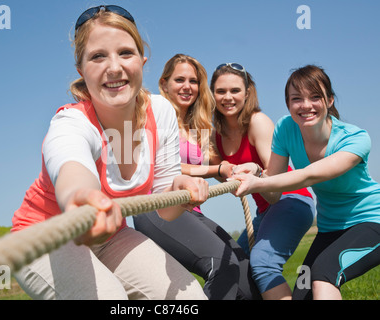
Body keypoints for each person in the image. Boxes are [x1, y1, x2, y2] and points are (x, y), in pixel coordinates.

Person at [11, 5, 209, 300]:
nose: (114, 67)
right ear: (81, 70)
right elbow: (71, 167)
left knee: (189, 299)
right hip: (44, 237)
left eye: (125, 53)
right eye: (98, 56)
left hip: (111, 235)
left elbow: (165, 209)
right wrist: (80, 198)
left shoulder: (161, 110)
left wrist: (179, 188)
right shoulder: (72, 122)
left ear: (142, 60)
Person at [232, 64, 380, 300]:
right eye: (296, 98)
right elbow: (274, 193)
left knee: (324, 274)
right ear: (288, 104)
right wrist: (259, 174)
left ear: (330, 100)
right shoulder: (285, 128)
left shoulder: (355, 138)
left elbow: (311, 175)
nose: (306, 105)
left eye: (315, 97)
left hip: (371, 221)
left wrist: (258, 183)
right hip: (330, 227)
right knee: (303, 293)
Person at [133, 54, 261, 300]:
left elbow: (222, 168)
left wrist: (245, 170)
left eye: (193, 81)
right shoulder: (152, 115)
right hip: (157, 206)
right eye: (179, 79)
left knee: (242, 266)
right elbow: (168, 166)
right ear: (164, 83)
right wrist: (217, 169)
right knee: (220, 266)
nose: (187, 86)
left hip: (191, 211)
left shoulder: (198, 128)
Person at [210, 63, 316, 300]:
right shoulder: (215, 134)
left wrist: (255, 173)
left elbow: (274, 178)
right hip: (265, 210)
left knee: (263, 263)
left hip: (291, 200)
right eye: (221, 91)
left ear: (247, 93)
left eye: (235, 90)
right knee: (234, 263)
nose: (228, 97)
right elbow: (220, 171)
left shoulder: (257, 122)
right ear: (212, 94)